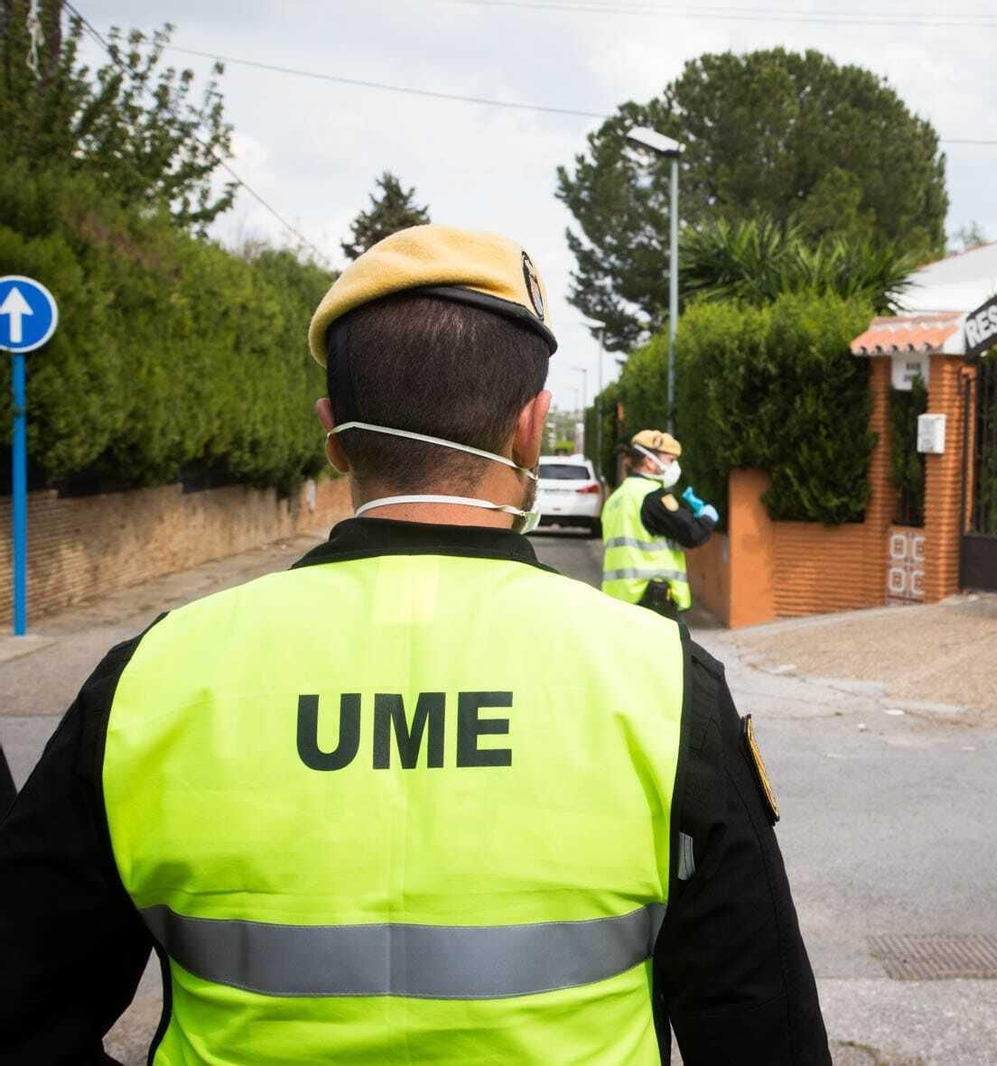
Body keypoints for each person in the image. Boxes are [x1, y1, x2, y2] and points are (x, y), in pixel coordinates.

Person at [0, 225, 828, 1064]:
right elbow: (763, 1033)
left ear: (332, 431)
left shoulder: (152, 679)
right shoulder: (664, 684)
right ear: (530, 428)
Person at [601, 430, 718, 620]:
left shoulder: (616, 498)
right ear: (649, 461)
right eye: (670, 460)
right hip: (650, 600)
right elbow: (692, 534)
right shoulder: (653, 497)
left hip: (617, 599)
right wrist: (707, 517)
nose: (674, 466)